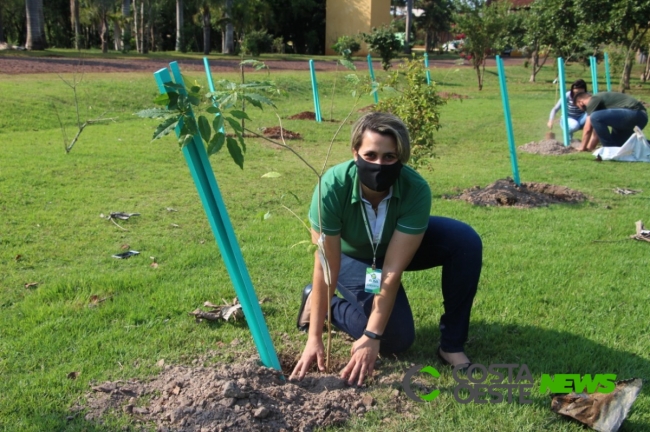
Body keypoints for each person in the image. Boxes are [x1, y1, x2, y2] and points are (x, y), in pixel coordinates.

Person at [289, 112, 483, 386]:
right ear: (355, 152)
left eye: (389, 157)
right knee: (396, 339)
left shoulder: (415, 189)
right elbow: (326, 266)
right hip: (350, 254)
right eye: (370, 155)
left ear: (401, 158)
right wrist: (315, 337)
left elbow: (391, 270)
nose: (379, 164)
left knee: (464, 242)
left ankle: (451, 345)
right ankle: (322, 303)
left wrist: (371, 336)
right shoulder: (331, 187)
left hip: (392, 247)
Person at [574, 91, 648, 151]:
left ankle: (609, 149)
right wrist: (590, 148)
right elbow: (597, 133)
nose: (580, 109)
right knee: (619, 145)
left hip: (635, 113)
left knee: (595, 116)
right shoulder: (598, 104)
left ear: (580, 102)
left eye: (578, 106)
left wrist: (582, 147)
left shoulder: (593, 99)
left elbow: (588, 128)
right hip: (641, 117)